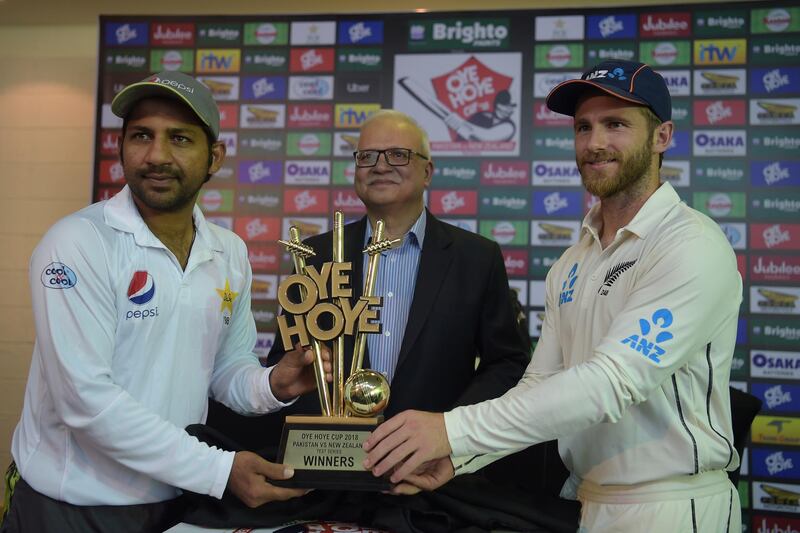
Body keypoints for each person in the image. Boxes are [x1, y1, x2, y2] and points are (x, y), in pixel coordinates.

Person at [363, 60, 743, 532]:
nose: (594, 143)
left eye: (616, 124)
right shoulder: (573, 259)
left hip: (674, 505)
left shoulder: (691, 244)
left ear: (662, 136)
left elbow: (610, 384)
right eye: (583, 127)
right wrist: (459, 456)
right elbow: (540, 384)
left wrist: (451, 430)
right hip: (586, 503)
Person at [2, 71, 330, 533]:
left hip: (178, 503)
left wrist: (273, 383)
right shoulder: (77, 242)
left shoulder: (228, 250)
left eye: (179, 138)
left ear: (214, 156)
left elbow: (223, 370)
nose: (156, 156)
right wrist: (219, 470)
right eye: (141, 136)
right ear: (121, 147)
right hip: (71, 509)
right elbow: (87, 402)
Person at [203, 109, 530, 529]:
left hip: (431, 487)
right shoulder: (315, 256)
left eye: (397, 155)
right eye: (367, 156)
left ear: (427, 171)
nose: (380, 166)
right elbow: (288, 369)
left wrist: (448, 431)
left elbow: (508, 363)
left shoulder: (476, 257)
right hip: (326, 486)